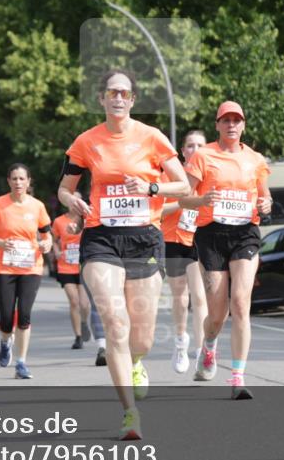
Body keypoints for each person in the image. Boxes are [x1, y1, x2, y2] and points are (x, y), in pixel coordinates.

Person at [58, 69, 189, 440]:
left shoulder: (152, 137)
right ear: (101, 98)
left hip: (144, 238)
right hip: (100, 237)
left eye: (124, 93)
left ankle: (136, 362)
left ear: (132, 100)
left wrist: (150, 186)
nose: (118, 98)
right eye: (111, 92)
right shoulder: (86, 142)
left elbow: (182, 185)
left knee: (141, 337)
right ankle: (130, 413)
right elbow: (65, 189)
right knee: (115, 323)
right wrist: (74, 202)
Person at [182, 101, 272, 400]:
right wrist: (203, 199)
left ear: (243, 125)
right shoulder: (203, 156)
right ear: (217, 125)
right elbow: (184, 198)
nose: (232, 124)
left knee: (241, 301)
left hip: (245, 233)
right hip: (211, 235)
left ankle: (237, 377)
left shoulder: (256, 159)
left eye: (237, 120)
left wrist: (266, 204)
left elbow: (265, 196)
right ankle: (209, 346)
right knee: (217, 312)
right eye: (226, 120)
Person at [0, 163, 53, 380]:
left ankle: (21, 363)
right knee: (6, 318)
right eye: (14, 179)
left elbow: (46, 235)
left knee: (24, 315)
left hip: (31, 266)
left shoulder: (38, 206)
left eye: (22, 179)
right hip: (6, 268)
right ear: (8, 181)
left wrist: (46, 245)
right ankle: (5, 342)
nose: (18, 183)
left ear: (29, 181)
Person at [161, 130, 209, 373]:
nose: (195, 149)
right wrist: (181, 202)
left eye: (200, 145)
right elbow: (155, 211)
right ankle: (181, 342)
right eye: (190, 145)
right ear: (182, 150)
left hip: (199, 238)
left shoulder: (211, 172)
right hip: (173, 239)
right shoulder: (170, 174)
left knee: (200, 296)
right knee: (180, 296)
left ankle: (201, 350)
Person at [52, 209, 90, 349]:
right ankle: (78, 337)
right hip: (66, 266)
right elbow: (54, 239)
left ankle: (84, 322)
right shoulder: (59, 221)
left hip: (83, 266)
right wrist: (56, 251)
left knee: (84, 304)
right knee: (74, 301)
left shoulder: (88, 219)